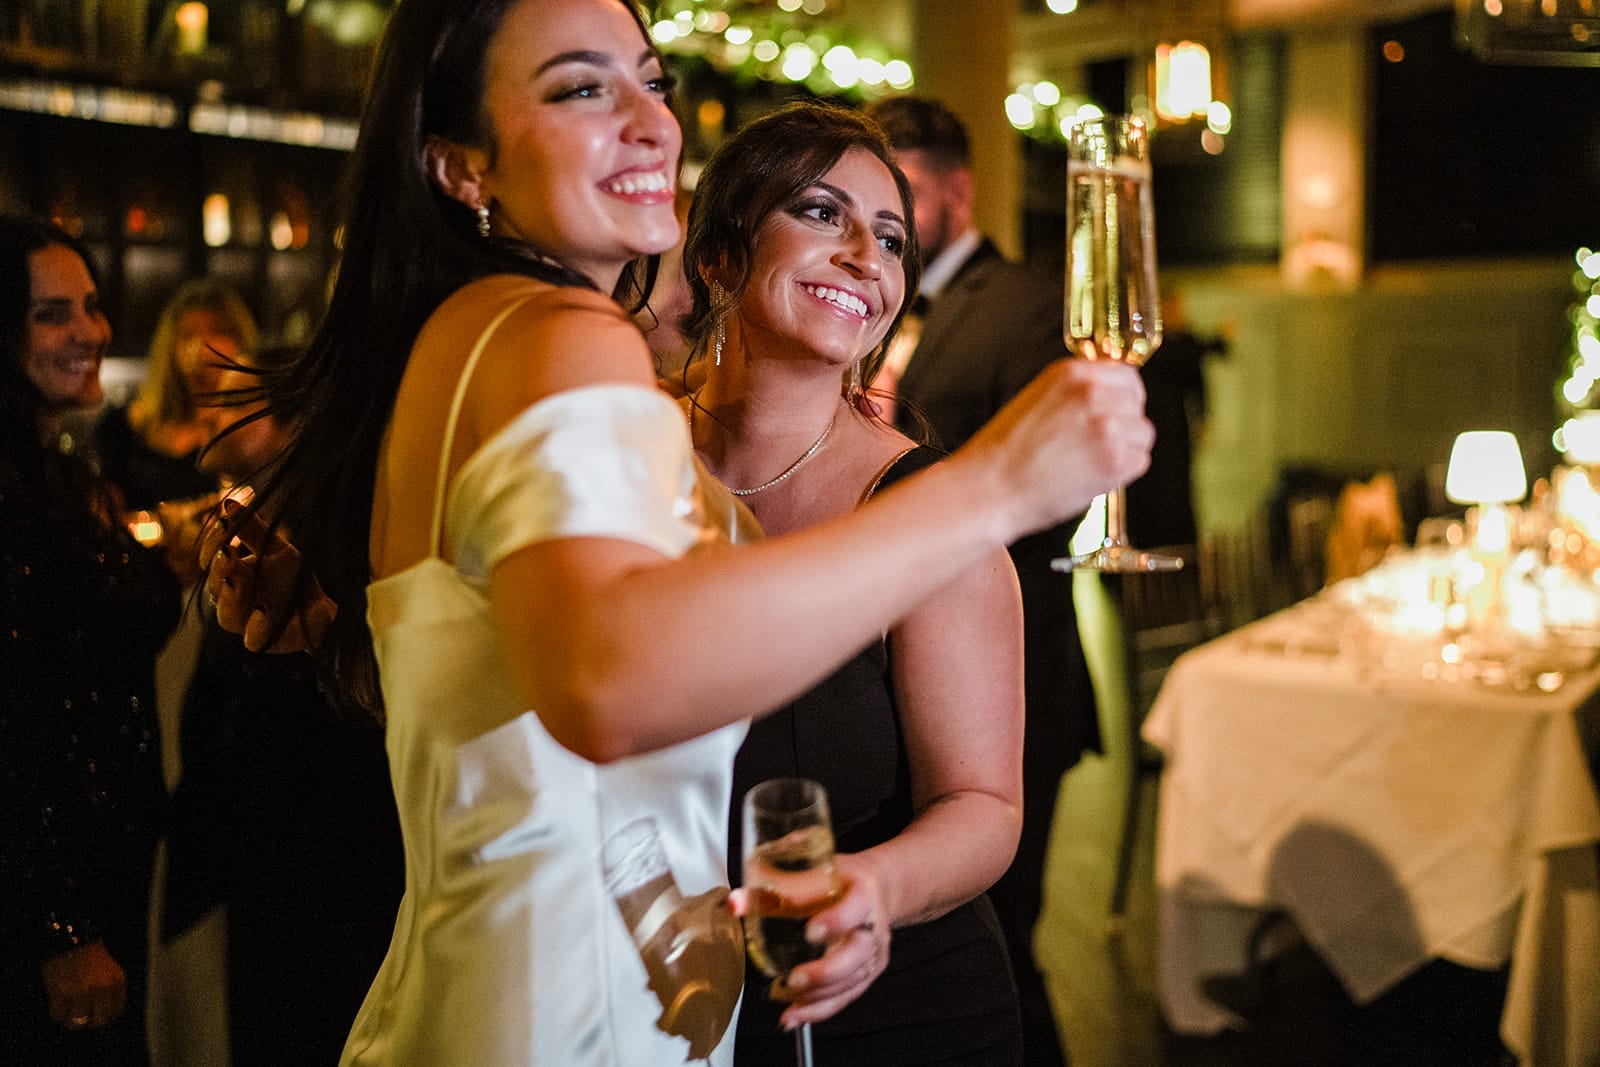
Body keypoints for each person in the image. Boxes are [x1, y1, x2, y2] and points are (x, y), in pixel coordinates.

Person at [201, 1, 1151, 1062]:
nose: (653, 121)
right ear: (461, 165)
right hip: (581, 1013)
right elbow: (605, 685)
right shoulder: (567, 342)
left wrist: (347, 629)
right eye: (579, 87)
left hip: (655, 995)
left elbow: (520, 702)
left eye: (652, 82)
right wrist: (998, 485)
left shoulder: (477, 335)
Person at [677, 101, 1026, 1063]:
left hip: (880, 1007)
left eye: (890, 238)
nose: (866, 258)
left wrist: (868, 889)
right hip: (654, 989)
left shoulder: (923, 509)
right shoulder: (625, 453)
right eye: (822, 213)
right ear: (717, 252)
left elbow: (983, 805)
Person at [865, 94, 1099, 1065]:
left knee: (1002, 948)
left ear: (956, 191)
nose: (872, 228)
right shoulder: (867, 297)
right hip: (880, 688)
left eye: (900, 198)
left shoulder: (1029, 303)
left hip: (1014, 679)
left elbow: (1059, 493)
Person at [161, 347, 405, 1065]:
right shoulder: (272, 503)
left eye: (235, 402)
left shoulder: (341, 501)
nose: (214, 419)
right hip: (284, 828)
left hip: (334, 828)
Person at [0, 214, 179, 1064]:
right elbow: (13, 723)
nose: (90, 332)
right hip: (47, 919)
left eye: (93, 305)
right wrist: (62, 925)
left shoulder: (56, 470)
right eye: (50, 313)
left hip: (103, 874)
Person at [93, 277, 256, 511]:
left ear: (241, 341)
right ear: (170, 348)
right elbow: (102, 514)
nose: (202, 347)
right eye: (189, 335)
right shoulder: (125, 427)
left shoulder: (252, 431)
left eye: (218, 332)